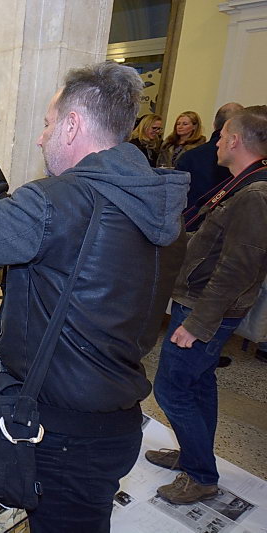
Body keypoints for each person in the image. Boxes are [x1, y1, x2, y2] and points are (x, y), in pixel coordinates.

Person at [0, 61, 189, 532]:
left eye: (48, 124)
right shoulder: (156, 201)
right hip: (113, 419)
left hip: (62, 433)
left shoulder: (57, 199)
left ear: (72, 125)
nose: (40, 138)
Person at [148, 106, 267, 505]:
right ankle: (192, 455)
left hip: (205, 308)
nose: (216, 143)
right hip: (200, 302)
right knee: (198, 385)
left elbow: (238, 269)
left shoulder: (255, 195)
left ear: (235, 140)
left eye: (222, 136)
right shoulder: (243, 186)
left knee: (172, 389)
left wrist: (198, 323)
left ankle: (200, 476)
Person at [177, 102, 244, 211]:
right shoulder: (247, 159)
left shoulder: (189, 157)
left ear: (214, 124)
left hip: (191, 217)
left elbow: (176, 197)